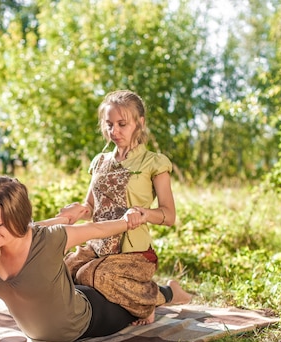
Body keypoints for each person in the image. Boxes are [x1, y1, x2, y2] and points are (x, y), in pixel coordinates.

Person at [0, 175, 157, 342]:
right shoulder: (0, 241)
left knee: (138, 301)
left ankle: (164, 295)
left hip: (89, 318)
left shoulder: (50, 240)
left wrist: (127, 222)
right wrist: (65, 218)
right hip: (66, 298)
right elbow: (35, 226)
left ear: (17, 219)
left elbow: (94, 230)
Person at [57, 90, 192, 325]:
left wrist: (144, 213)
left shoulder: (153, 162)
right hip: (98, 246)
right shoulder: (100, 161)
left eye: (122, 124)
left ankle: (156, 298)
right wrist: (76, 211)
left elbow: (169, 215)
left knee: (90, 274)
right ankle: (142, 300)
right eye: (109, 124)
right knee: (64, 270)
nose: (114, 131)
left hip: (133, 253)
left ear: (140, 123)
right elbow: (91, 205)